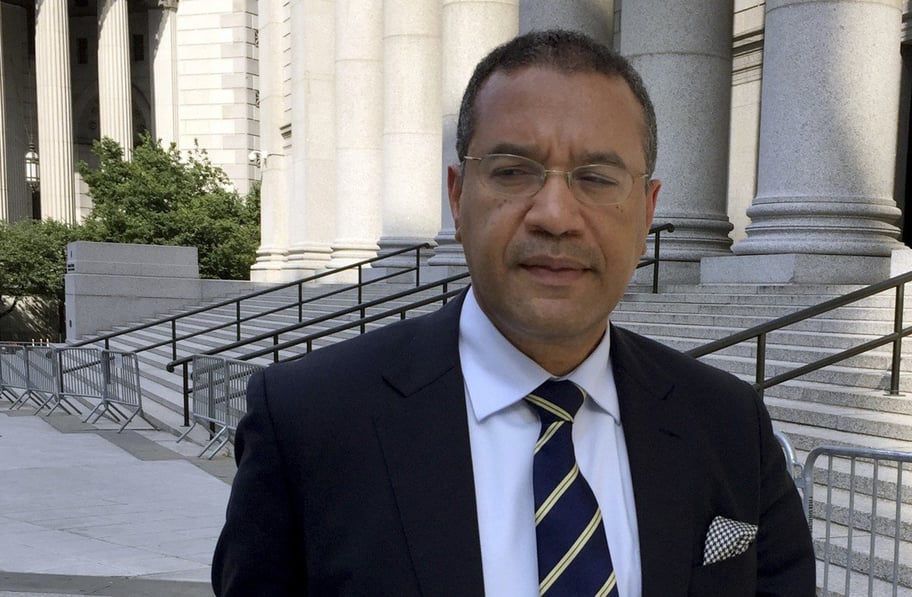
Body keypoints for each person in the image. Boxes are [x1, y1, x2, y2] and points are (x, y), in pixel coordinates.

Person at [212, 29, 815, 596]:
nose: (555, 214)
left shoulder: (730, 424)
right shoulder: (308, 420)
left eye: (598, 178)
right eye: (512, 172)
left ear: (647, 213)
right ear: (458, 196)